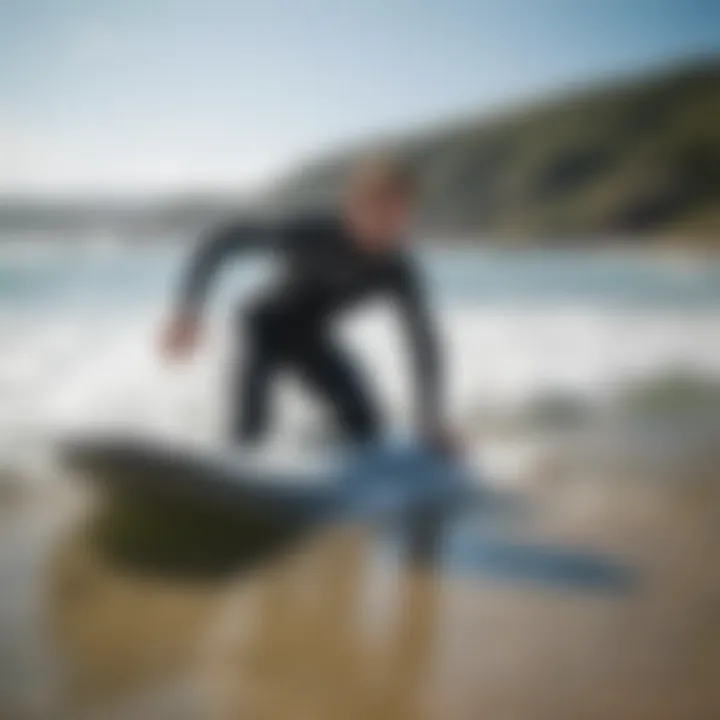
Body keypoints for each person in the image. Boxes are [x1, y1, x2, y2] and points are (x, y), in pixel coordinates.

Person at [161, 155, 452, 451]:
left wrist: (430, 416)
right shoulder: (313, 233)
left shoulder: (397, 269)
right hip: (264, 328)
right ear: (354, 206)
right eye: (379, 210)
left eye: (397, 215)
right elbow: (225, 238)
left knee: (367, 430)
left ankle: (315, 460)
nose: (386, 225)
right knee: (249, 433)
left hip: (311, 339)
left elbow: (422, 341)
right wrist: (188, 310)